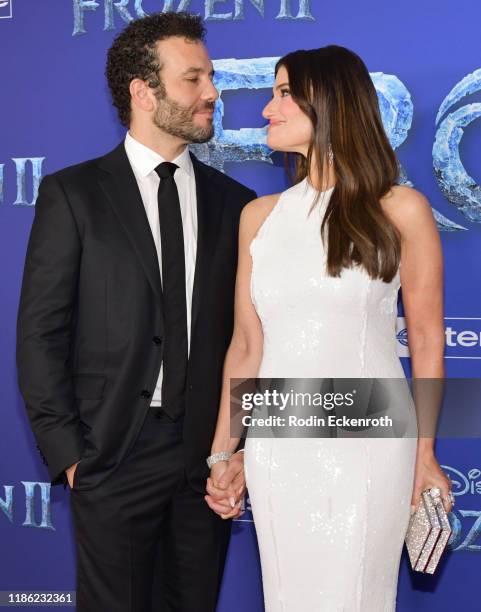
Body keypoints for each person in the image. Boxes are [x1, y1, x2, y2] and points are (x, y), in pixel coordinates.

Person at [16, 12, 253, 612]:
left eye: (211, 77)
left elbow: (251, 339)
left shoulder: (238, 204)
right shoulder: (74, 194)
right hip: (113, 451)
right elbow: (41, 333)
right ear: (143, 93)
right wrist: (70, 455)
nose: (212, 93)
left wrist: (239, 446)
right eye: (193, 79)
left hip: (208, 456)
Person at [205, 45, 454, 610]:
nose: (267, 109)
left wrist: (423, 452)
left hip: (367, 441)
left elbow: (426, 339)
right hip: (279, 446)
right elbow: (247, 345)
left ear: (332, 103)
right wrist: (225, 454)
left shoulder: (400, 209)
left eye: (284, 93)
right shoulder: (259, 218)